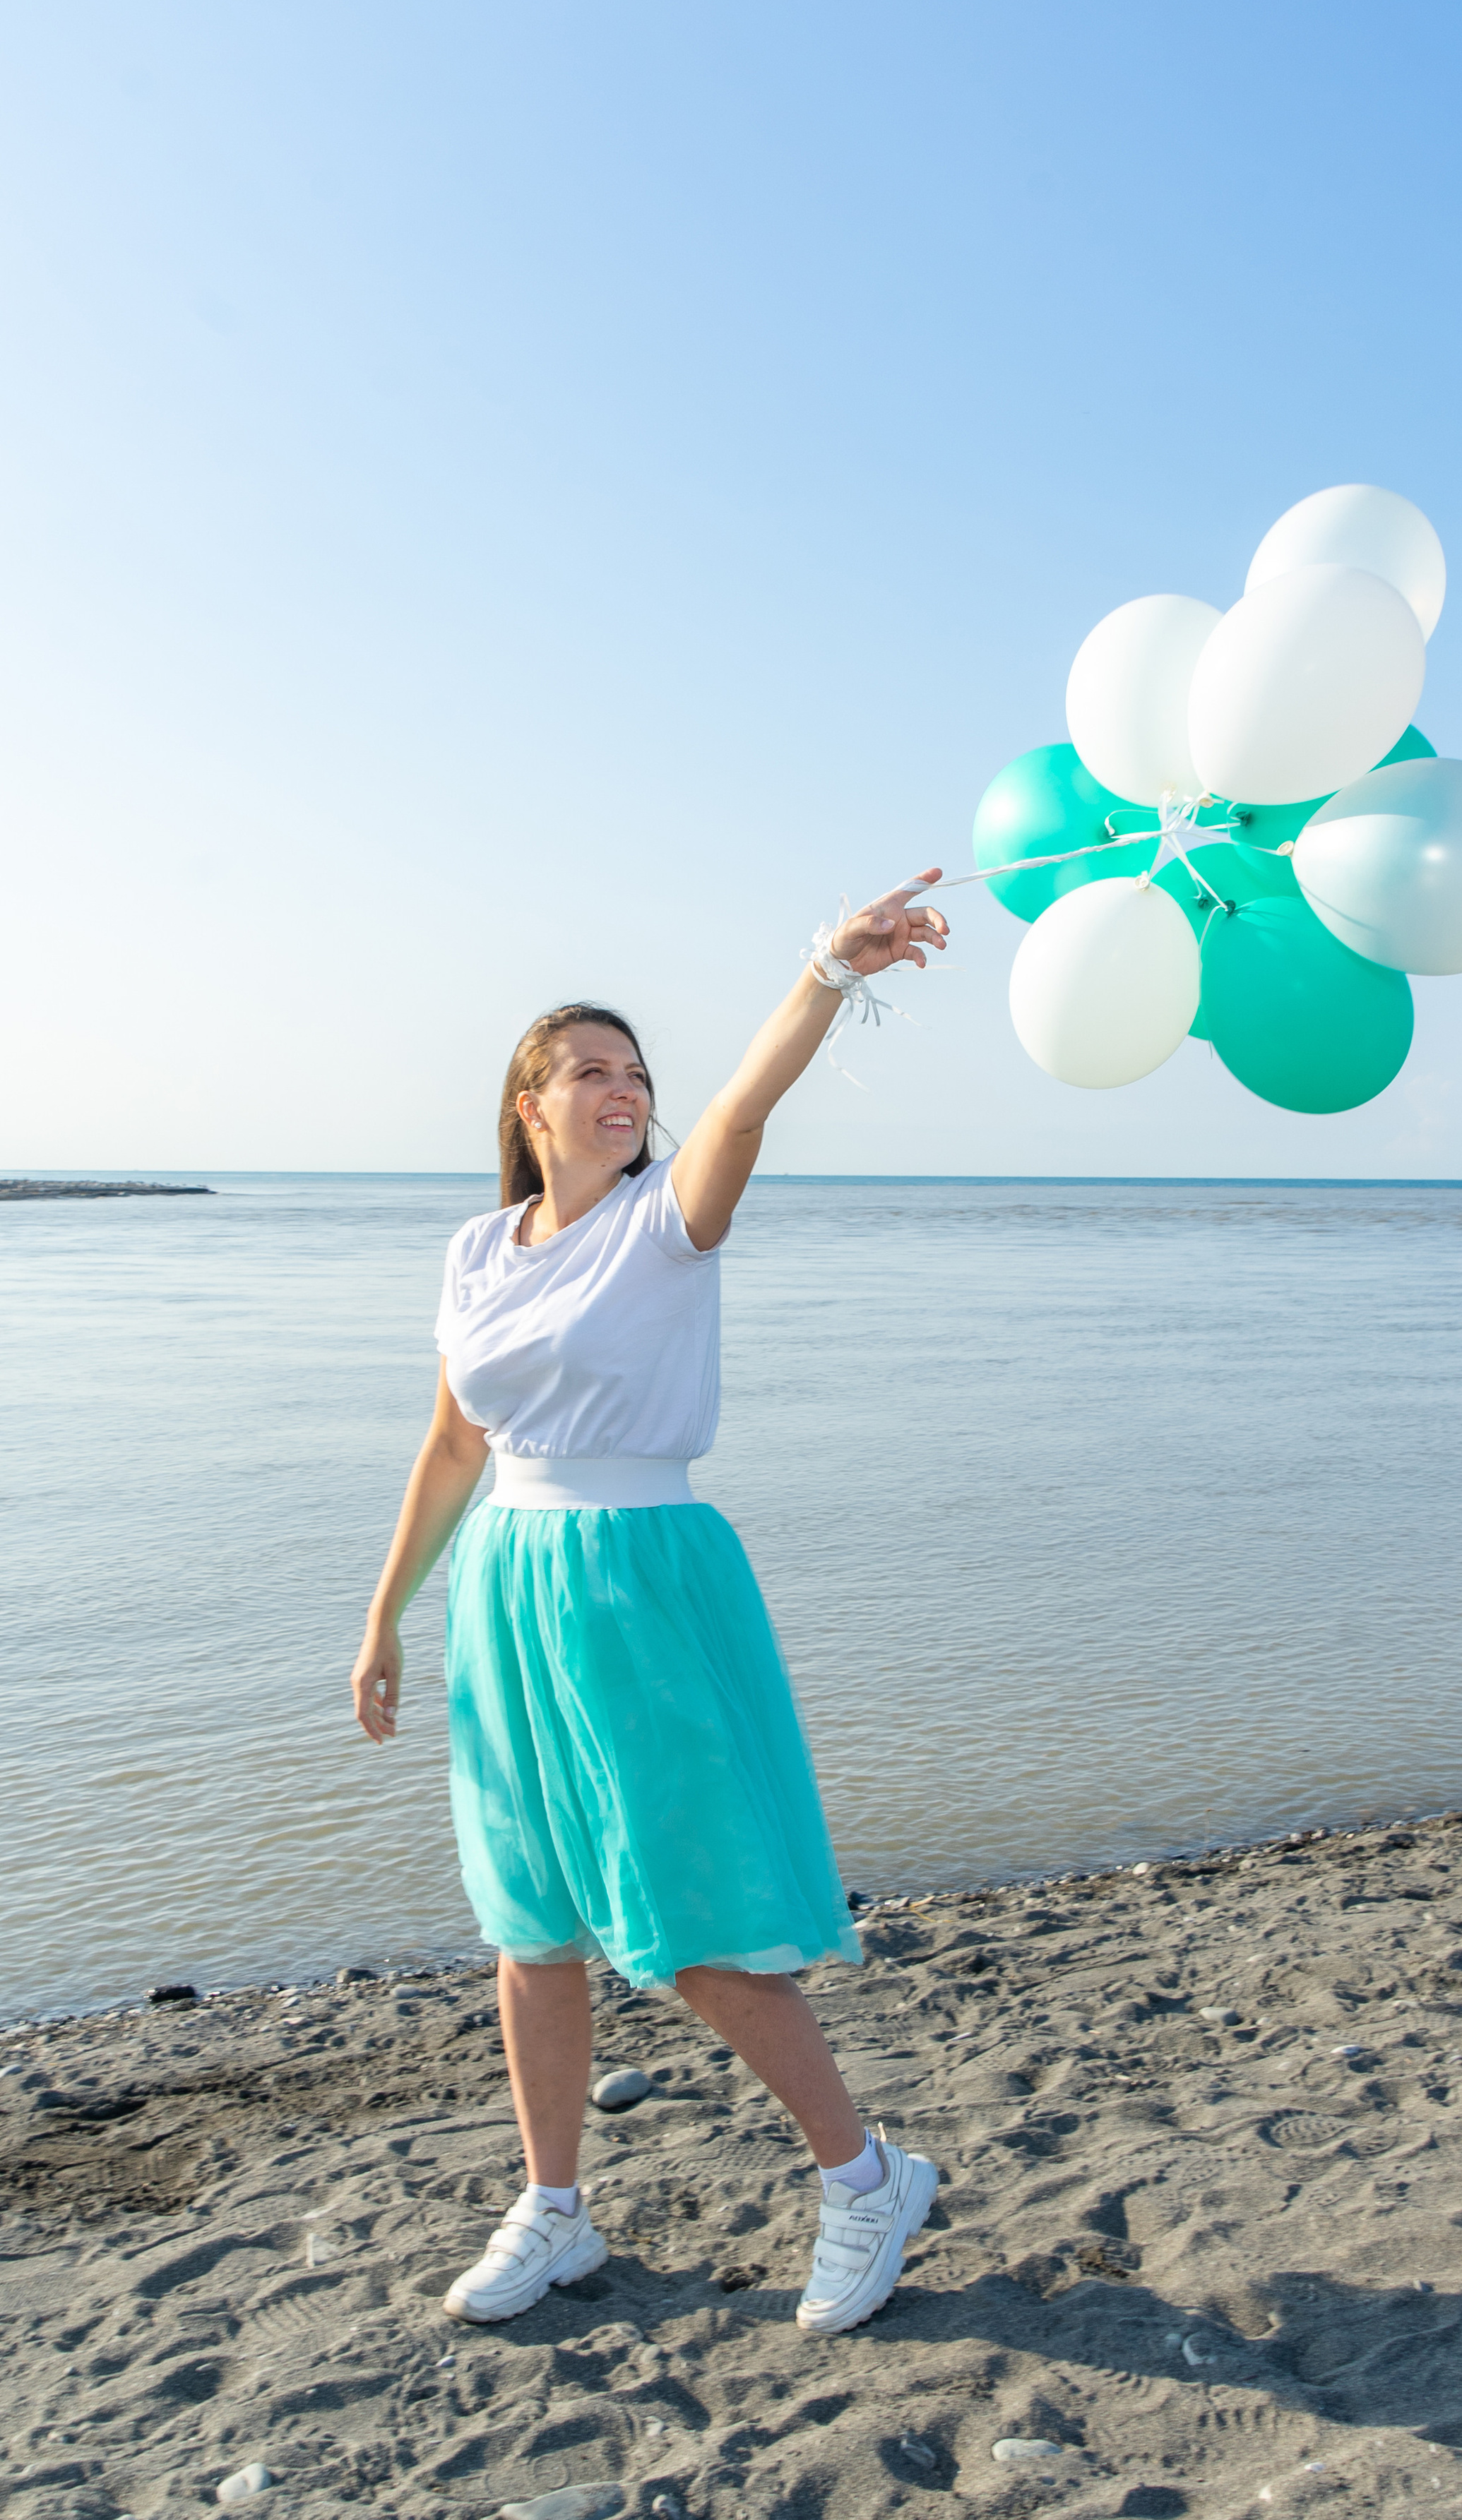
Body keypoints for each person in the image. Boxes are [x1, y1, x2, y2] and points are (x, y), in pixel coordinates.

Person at [350, 876, 949, 2337]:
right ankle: (553, 2208)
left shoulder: (664, 1224)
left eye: (635, 1073)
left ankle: (867, 2179)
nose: (624, 1091)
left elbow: (740, 1111)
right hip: (505, 1580)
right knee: (530, 1921)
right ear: (530, 1107)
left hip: (638, 1572)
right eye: (590, 1072)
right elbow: (451, 1448)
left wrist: (829, 970)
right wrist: (384, 1617)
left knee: (686, 1916)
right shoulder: (476, 1252)